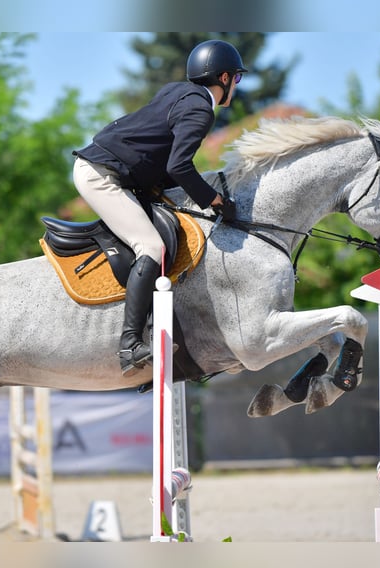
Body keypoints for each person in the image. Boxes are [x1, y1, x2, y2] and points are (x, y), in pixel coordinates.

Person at [72, 39, 247, 377]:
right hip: (102, 176)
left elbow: (164, 162)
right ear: (224, 78)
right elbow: (179, 167)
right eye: (236, 80)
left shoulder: (177, 92)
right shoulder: (201, 109)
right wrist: (215, 201)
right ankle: (129, 344)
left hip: (109, 168)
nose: (235, 87)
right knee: (151, 246)